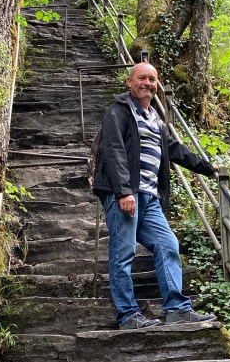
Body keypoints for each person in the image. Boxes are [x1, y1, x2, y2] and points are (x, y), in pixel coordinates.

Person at [92, 61, 218, 330]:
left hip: (150, 199)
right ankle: (128, 314)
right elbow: (112, 150)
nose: (147, 83)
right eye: (142, 78)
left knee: (168, 244)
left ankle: (177, 309)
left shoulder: (156, 120)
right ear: (130, 82)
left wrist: (209, 168)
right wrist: (124, 191)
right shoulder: (119, 111)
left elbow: (175, 149)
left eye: (152, 79)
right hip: (125, 194)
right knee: (123, 252)